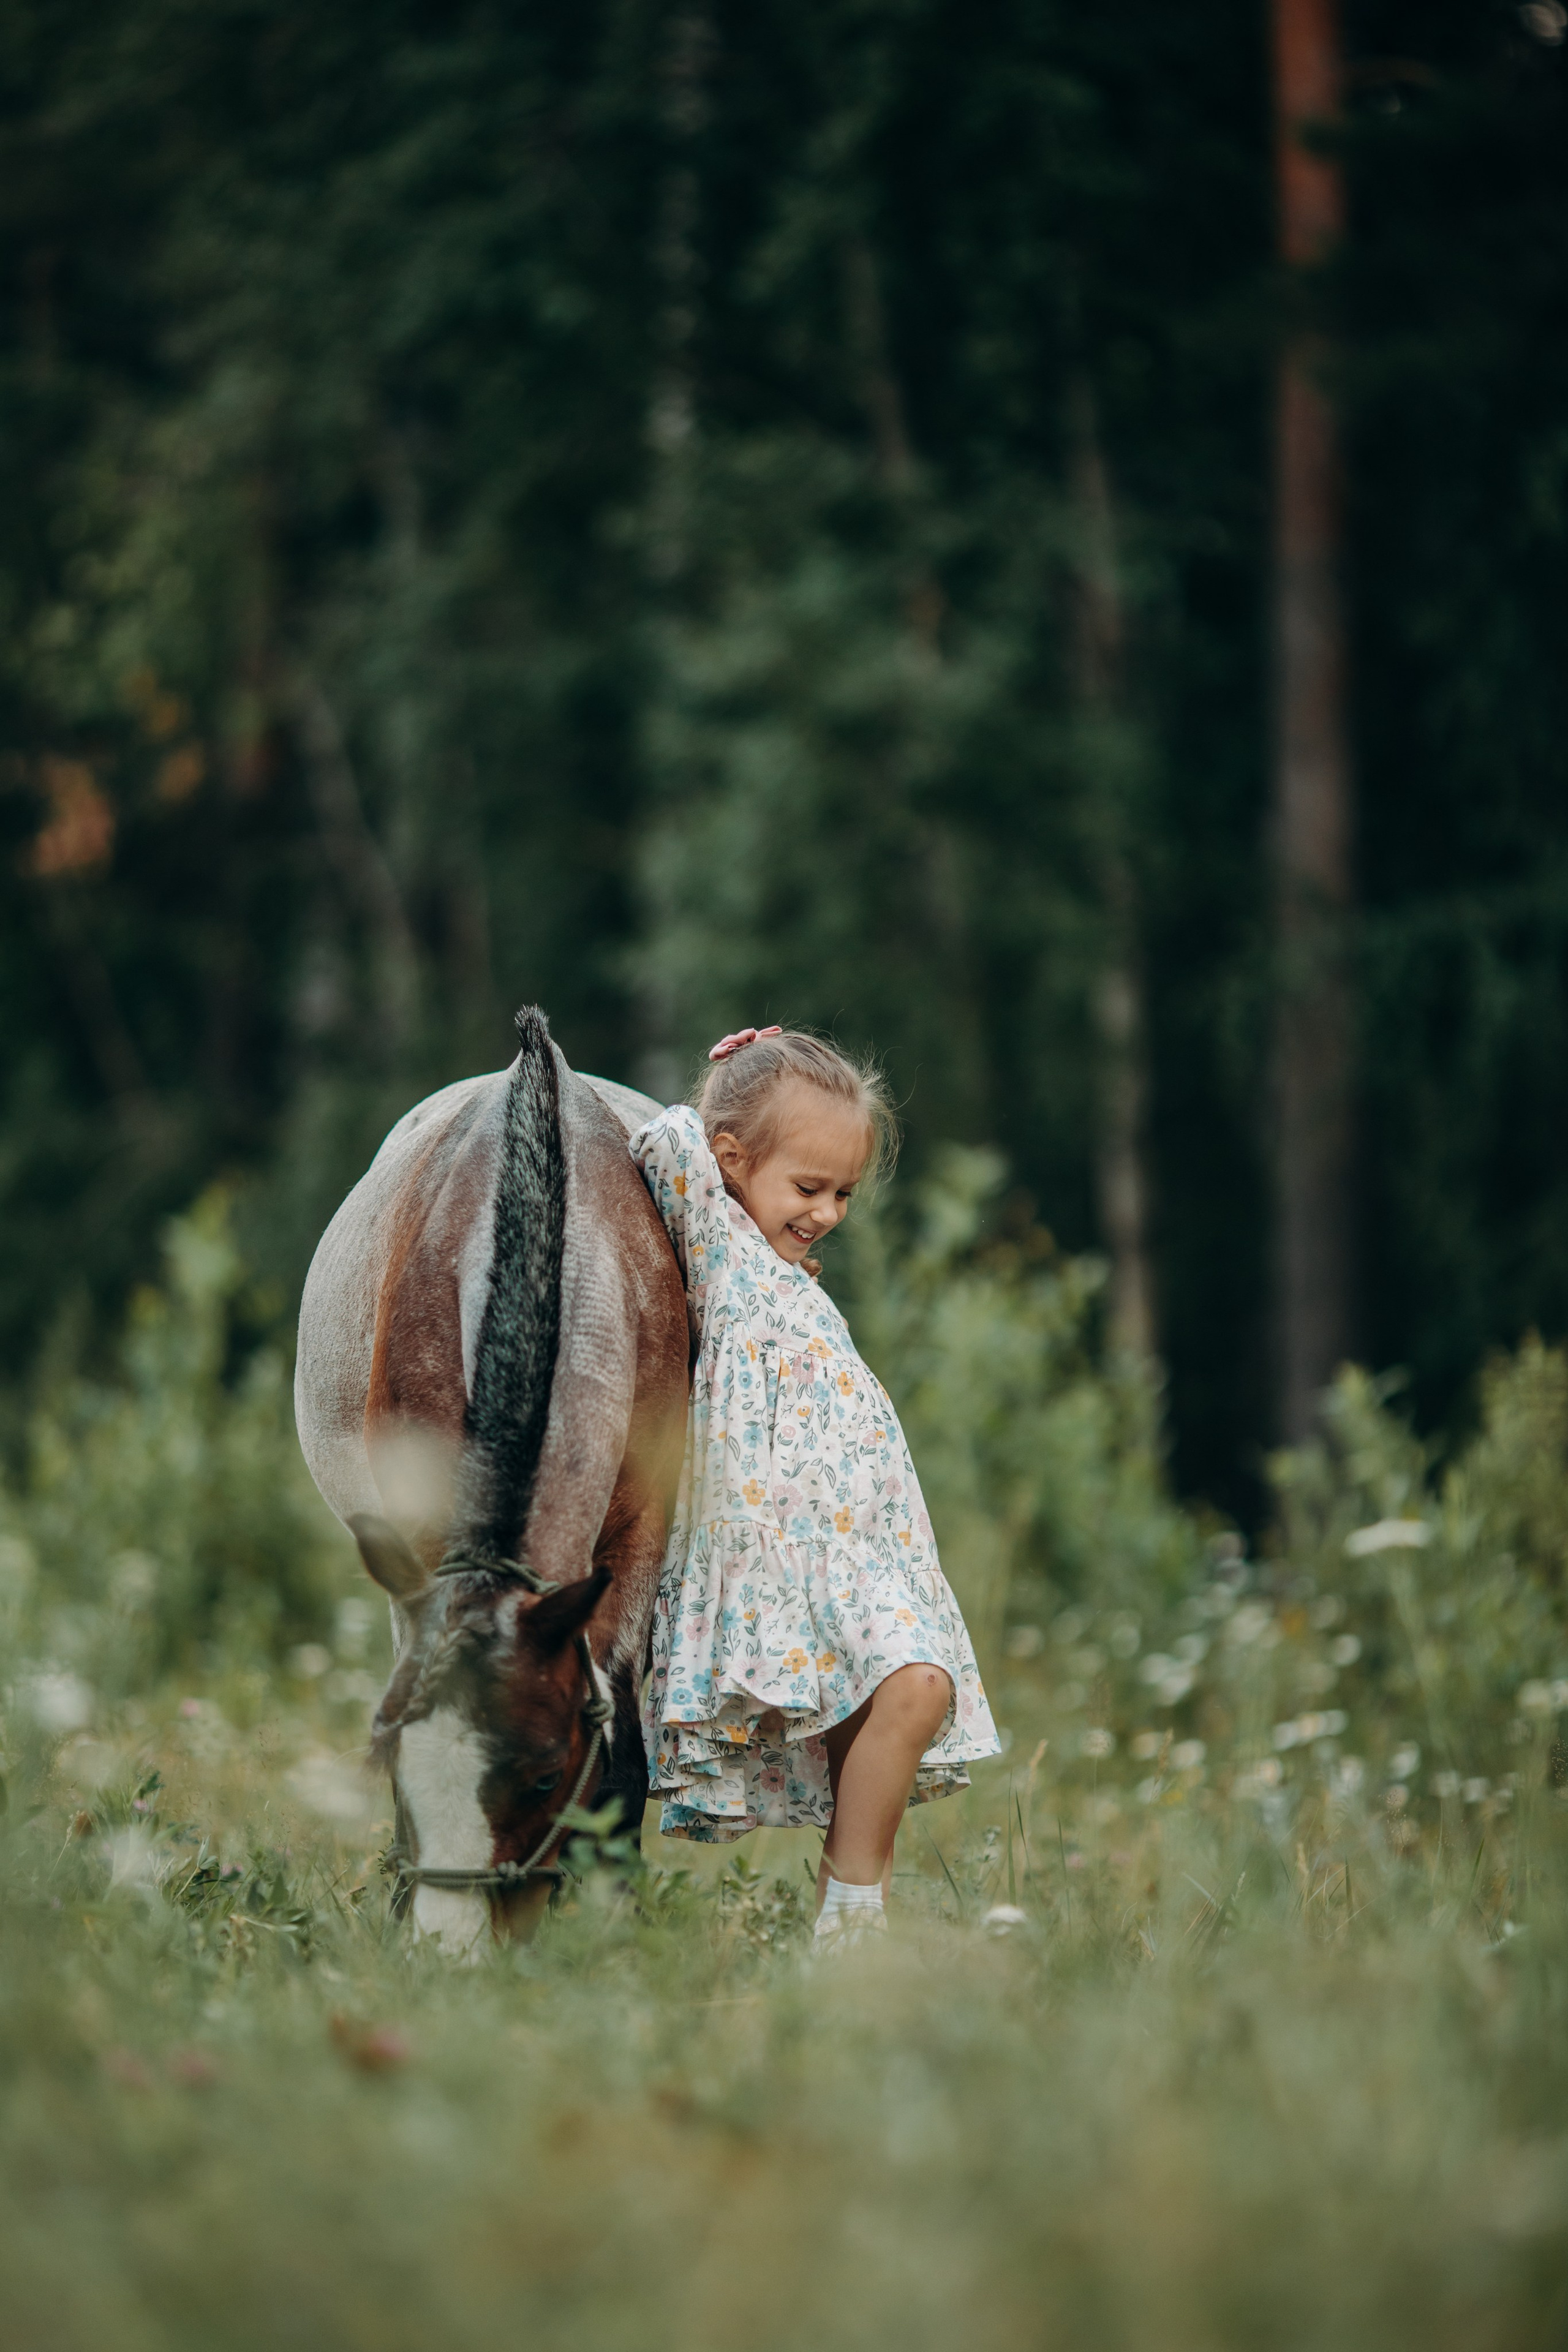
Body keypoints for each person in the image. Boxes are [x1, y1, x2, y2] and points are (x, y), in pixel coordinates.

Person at [629, 1025, 1000, 1945]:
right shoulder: (720, 1242)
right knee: (905, 1690)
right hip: (775, 1565)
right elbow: (664, 1136)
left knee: (918, 1691)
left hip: (864, 1551)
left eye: (843, 1192)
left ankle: (851, 1909)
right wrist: (743, 1063)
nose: (827, 1212)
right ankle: (853, 1927)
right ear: (731, 1163)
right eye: (807, 1188)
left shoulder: (795, 1280)